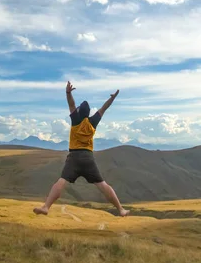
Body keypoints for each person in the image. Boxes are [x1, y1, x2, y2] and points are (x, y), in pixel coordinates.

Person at [33, 81, 130, 217]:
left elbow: (71, 104)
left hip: (74, 156)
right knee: (103, 185)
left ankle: (46, 207)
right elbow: (104, 108)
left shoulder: (76, 120)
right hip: (88, 157)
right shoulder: (93, 122)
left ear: (79, 111)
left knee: (61, 181)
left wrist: (68, 93)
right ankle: (121, 209)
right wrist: (112, 98)